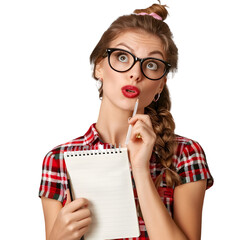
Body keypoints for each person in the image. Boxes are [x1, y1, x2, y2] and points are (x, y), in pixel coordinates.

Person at [39, 2, 213, 240]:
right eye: (122, 57)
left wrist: (140, 169)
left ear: (160, 84)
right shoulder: (58, 160)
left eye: (151, 64)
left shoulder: (185, 153)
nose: (135, 73)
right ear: (99, 66)